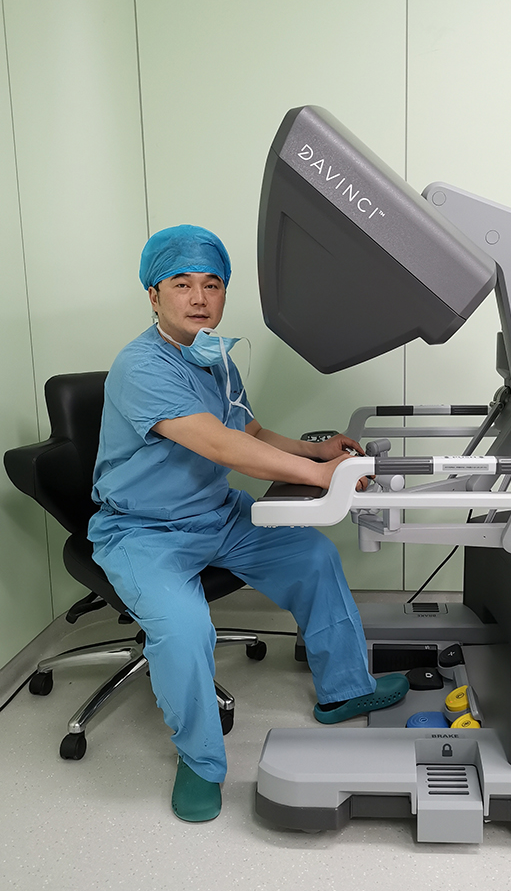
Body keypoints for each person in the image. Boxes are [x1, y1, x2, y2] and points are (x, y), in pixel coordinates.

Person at [87, 225, 409, 823]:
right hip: (144, 531)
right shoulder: (140, 366)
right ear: (153, 295)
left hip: (217, 514)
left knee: (314, 557)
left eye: (212, 285)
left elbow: (249, 431)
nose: (199, 298)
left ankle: (345, 690)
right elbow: (220, 445)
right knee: (185, 630)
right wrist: (320, 476)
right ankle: (200, 762)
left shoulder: (214, 356)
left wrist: (314, 451)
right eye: (181, 285)